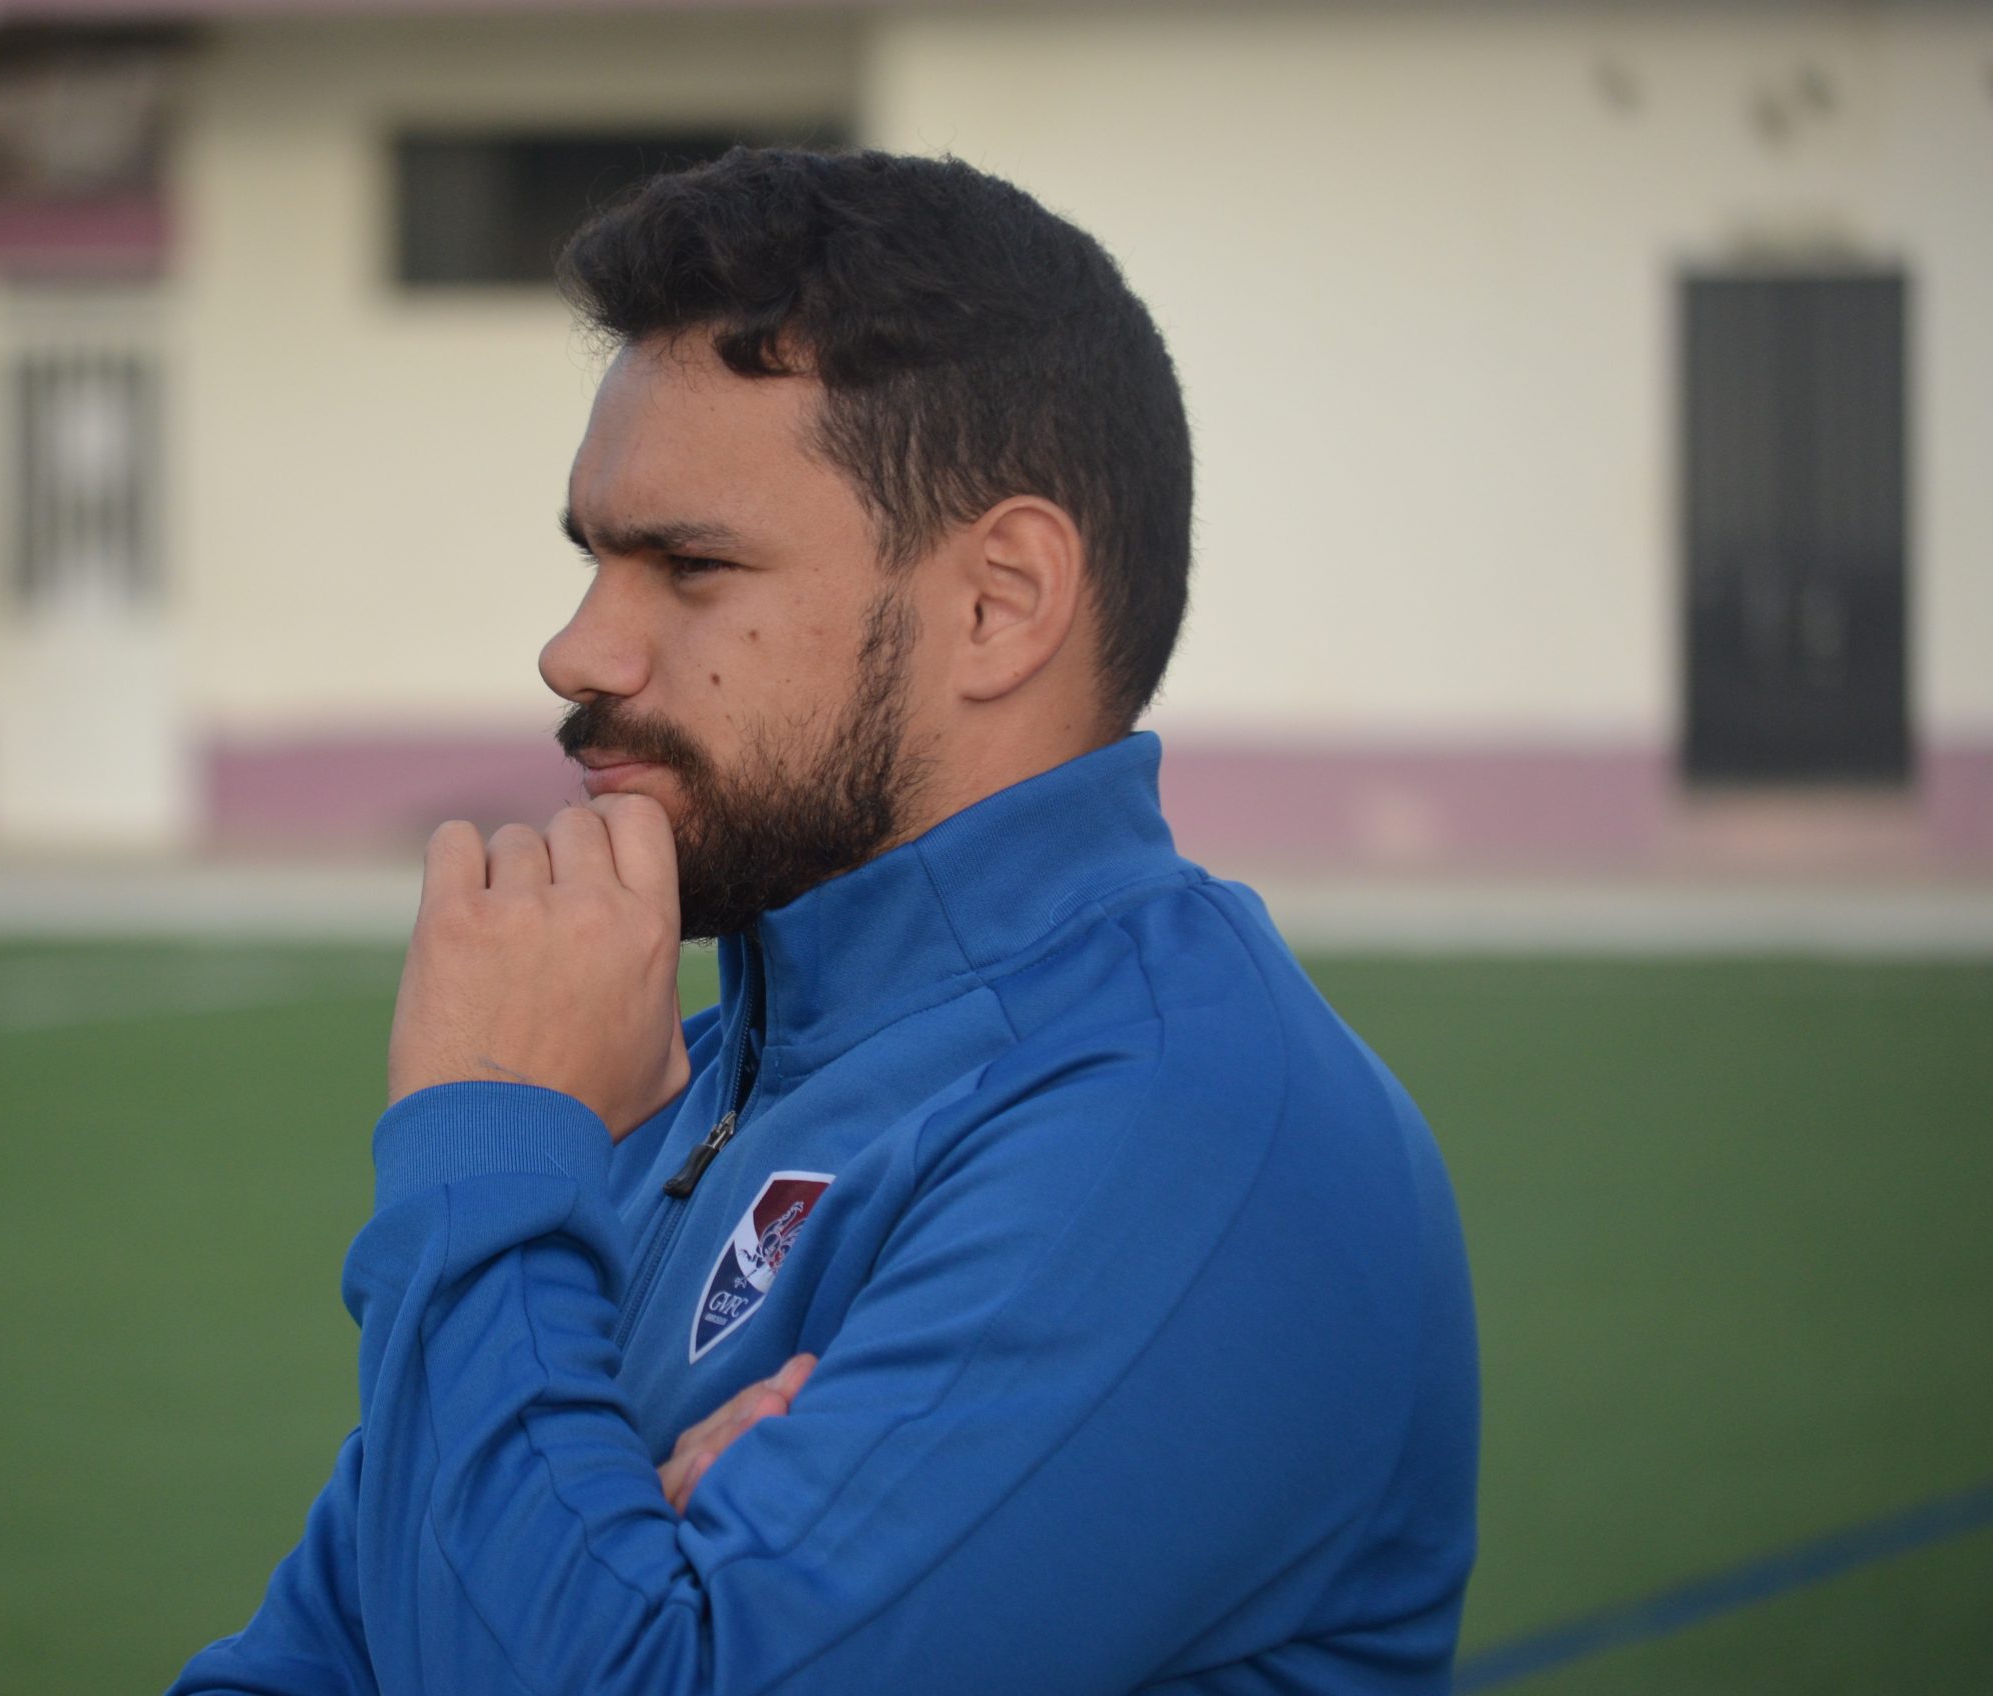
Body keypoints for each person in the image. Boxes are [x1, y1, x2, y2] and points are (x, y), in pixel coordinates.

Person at [173, 148, 1477, 1695]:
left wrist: (495, 1141)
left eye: (690, 566)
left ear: (999, 602)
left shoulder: (1176, 1122)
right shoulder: (669, 1093)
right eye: (594, 558)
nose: (576, 650)